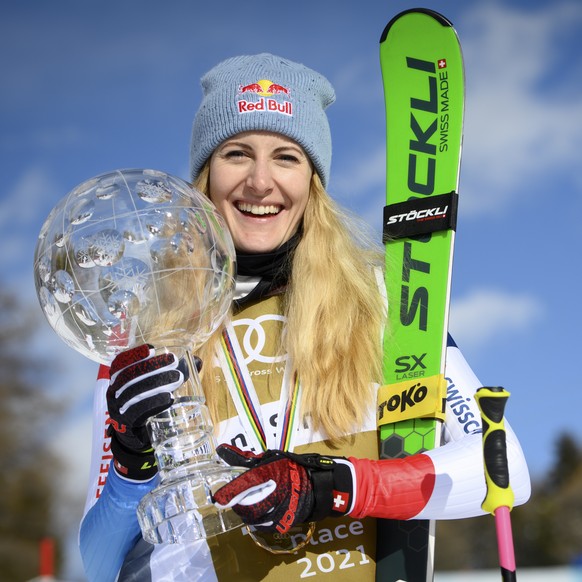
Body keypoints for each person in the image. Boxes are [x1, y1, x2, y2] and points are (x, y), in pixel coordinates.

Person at [79, 53, 531, 581]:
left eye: (287, 157)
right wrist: (133, 465)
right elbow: (97, 563)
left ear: (313, 180)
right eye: (237, 153)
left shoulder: (382, 300)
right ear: (205, 175)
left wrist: (333, 487)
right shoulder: (151, 334)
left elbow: (504, 469)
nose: (260, 181)